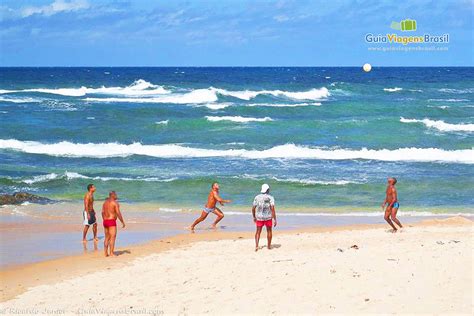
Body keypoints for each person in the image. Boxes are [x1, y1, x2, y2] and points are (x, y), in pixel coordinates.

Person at [252, 183, 277, 251]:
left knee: (258, 231)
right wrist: (275, 219)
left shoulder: (257, 197)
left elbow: (253, 208)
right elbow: (272, 209)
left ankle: (257, 246)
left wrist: (254, 217)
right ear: (267, 190)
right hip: (268, 217)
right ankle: (268, 246)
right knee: (269, 231)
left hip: (259, 217)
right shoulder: (270, 197)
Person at [101, 191, 125, 257]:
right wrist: (122, 222)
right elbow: (118, 213)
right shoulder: (115, 203)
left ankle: (105, 253)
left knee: (106, 238)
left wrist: (104, 219)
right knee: (112, 238)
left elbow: (102, 212)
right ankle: (111, 253)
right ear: (113, 195)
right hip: (111, 221)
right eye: (116, 195)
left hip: (105, 221)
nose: (116, 196)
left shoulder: (105, 203)